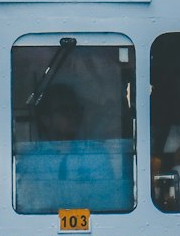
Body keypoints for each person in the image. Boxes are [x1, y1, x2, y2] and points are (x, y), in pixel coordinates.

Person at [16, 82, 126, 213]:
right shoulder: (31, 162)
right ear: (46, 119)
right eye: (65, 110)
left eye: (76, 109)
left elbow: (107, 203)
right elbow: (27, 206)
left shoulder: (97, 156)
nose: (73, 115)